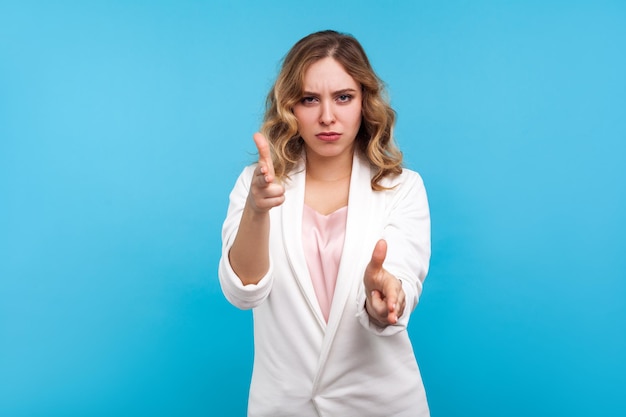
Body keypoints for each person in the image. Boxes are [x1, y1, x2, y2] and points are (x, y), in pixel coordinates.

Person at [218, 30, 431, 417]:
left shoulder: (403, 188)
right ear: (290, 107)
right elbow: (243, 293)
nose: (327, 116)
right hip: (283, 407)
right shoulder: (257, 185)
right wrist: (256, 210)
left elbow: (400, 276)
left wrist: (385, 297)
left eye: (343, 97)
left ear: (364, 101)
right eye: (309, 99)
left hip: (382, 405)